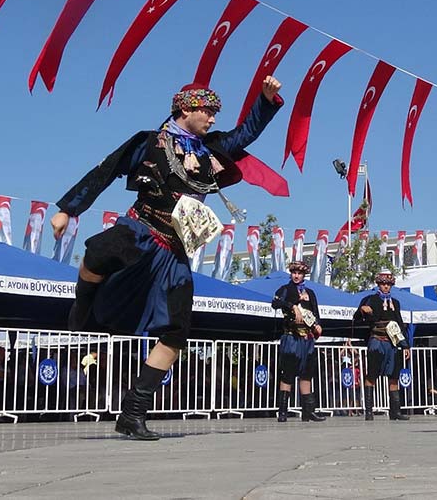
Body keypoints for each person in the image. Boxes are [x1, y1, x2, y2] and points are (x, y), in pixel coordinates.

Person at [50, 77, 284, 440]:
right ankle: (83, 301)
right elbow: (105, 171)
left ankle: (133, 411)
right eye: (207, 110)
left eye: (214, 112)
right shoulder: (148, 143)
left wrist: (265, 101)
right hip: (142, 226)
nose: (212, 117)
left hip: (175, 248)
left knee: (177, 331)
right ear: (186, 108)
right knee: (101, 249)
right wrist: (68, 210)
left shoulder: (213, 149)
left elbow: (247, 133)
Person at [271, 261, 325, 423]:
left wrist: (319, 325)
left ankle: (308, 411)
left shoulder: (310, 292)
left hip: (307, 338)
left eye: (299, 273)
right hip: (291, 337)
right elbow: (275, 303)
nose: (296, 275)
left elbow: (315, 312)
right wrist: (292, 306)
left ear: (304, 275)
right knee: (287, 374)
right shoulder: (285, 289)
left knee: (307, 374)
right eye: (294, 272)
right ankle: (282, 411)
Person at [353, 272, 411, 421]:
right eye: (383, 284)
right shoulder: (370, 299)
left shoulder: (395, 303)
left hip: (392, 342)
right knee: (372, 374)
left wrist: (406, 346)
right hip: (377, 340)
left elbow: (398, 323)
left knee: (394, 376)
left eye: (388, 284)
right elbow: (356, 318)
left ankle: (395, 411)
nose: (386, 286)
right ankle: (369, 411)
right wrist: (362, 310)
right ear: (378, 285)